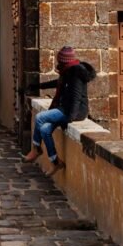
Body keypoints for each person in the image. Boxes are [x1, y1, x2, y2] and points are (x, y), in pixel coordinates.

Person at [24, 46, 96, 176]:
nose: (58, 63)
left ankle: (36, 148)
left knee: (40, 117)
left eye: (59, 60)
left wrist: (70, 118)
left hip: (73, 112)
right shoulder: (68, 71)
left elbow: (76, 97)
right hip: (64, 108)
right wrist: (38, 86)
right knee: (45, 129)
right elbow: (58, 83)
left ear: (63, 60)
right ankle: (56, 162)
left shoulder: (76, 73)